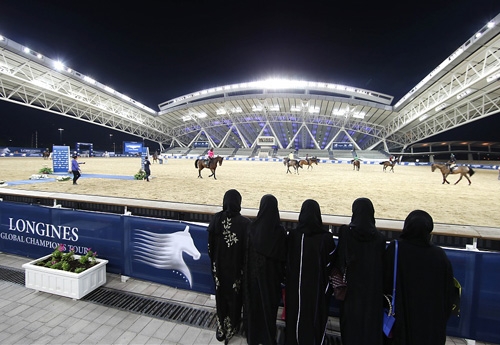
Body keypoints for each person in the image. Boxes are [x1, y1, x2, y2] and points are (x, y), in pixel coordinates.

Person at [384, 210, 455, 345]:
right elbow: (448, 294)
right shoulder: (439, 256)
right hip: (430, 328)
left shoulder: (396, 249)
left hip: (400, 326)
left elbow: (385, 282)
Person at [334, 197, 386, 345]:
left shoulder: (345, 233)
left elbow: (339, 261)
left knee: (350, 329)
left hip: (350, 292)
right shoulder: (380, 239)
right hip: (372, 294)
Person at [285, 199, 336, 345]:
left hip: (295, 290)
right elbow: (330, 264)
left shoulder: (293, 236)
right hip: (317, 293)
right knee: (315, 319)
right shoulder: (326, 238)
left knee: (295, 317)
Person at [207, 189, 251, 344]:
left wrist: (214, 262)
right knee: (235, 298)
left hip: (218, 268)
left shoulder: (217, 218)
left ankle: (221, 328)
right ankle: (232, 327)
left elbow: (210, 246)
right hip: (235, 271)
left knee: (221, 297)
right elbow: (247, 251)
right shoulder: (245, 224)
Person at [244, 194, 287, 345]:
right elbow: (283, 259)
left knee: (253, 309)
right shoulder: (280, 232)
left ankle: (253, 338)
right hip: (271, 282)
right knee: (268, 310)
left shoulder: (252, 228)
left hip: (253, 279)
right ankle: (268, 339)